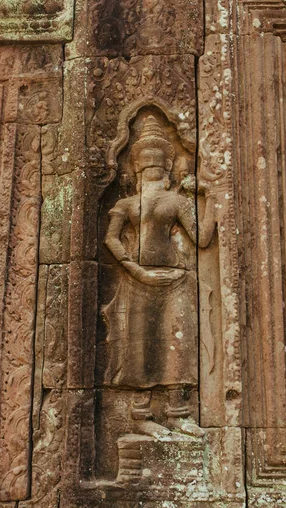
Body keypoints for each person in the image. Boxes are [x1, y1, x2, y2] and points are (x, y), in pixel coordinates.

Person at [103, 115, 214, 438]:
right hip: (138, 280)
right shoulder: (128, 204)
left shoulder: (176, 200)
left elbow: (203, 238)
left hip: (174, 278)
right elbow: (111, 239)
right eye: (148, 169)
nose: (152, 174)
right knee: (138, 347)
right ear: (138, 171)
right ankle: (142, 415)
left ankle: (178, 413)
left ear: (166, 170)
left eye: (156, 169)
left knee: (178, 345)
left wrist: (215, 198)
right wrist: (134, 268)